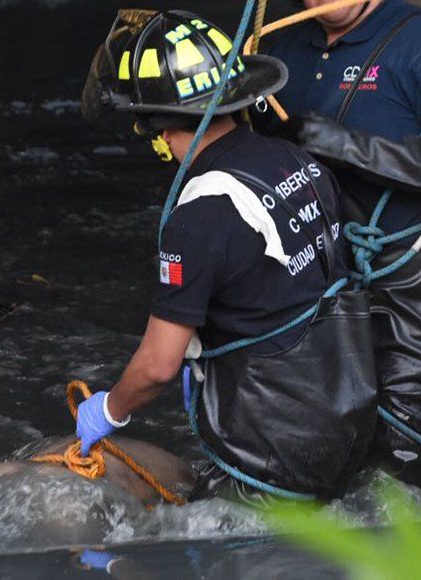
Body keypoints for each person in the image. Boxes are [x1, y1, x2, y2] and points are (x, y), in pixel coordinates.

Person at [76, 9, 379, 501]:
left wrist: (110, 409)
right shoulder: (299, 162)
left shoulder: (199, 217)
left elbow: (158, 365)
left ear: (156, 129)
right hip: (344, 432)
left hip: (270, 463)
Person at [262, 0, 421, 497]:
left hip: (413, 290)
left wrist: (348, 146)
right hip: (316, 284)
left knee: (405, 462)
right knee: (304, 465)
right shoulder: (282, 49)